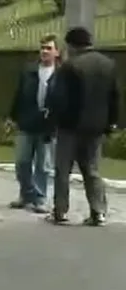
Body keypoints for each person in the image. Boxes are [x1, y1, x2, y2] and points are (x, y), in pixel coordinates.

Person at [47, 27, 120, 226]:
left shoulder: (70, 67)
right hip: (96, 127)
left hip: (70, 126)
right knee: (92, 170)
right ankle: (99, 211)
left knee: (63, 170)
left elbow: (59, 99)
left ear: (71, 45)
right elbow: (114, 97)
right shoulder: (108, 65)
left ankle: (60, 211)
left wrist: (53, 123)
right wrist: (111, 122)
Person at [8, 34, 60, 213]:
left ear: (57, 52)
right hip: (27, 122)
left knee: (43, 165)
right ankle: (26, 194)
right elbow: (18, 95)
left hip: (48, 126)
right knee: (22, 161)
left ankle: (39, 198)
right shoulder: (29, 72)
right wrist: (14, 116)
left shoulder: (61, 75)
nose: (44, 51)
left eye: (49, 48)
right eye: (42, 48)